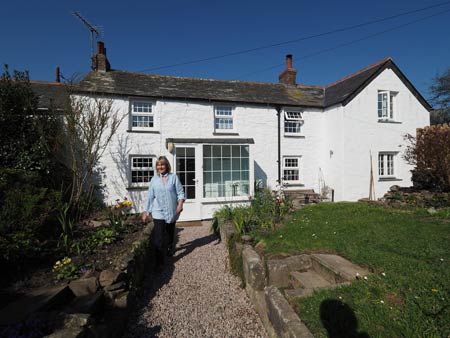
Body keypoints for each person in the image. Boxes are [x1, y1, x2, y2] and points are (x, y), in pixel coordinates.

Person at [141, 156, 185, 265]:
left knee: (170, 232)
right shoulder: (154, 180)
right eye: (158, 165)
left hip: (172, 210)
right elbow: (150, 197)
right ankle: (159, 263)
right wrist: (146, 211)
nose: (160, 167)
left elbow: (180, 192)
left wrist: (180, 204)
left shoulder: (173, 177)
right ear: (156, 167)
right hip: (158, 211)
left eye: (162, 164)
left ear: (166, 165)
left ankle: (170, 246)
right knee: (159, 237)